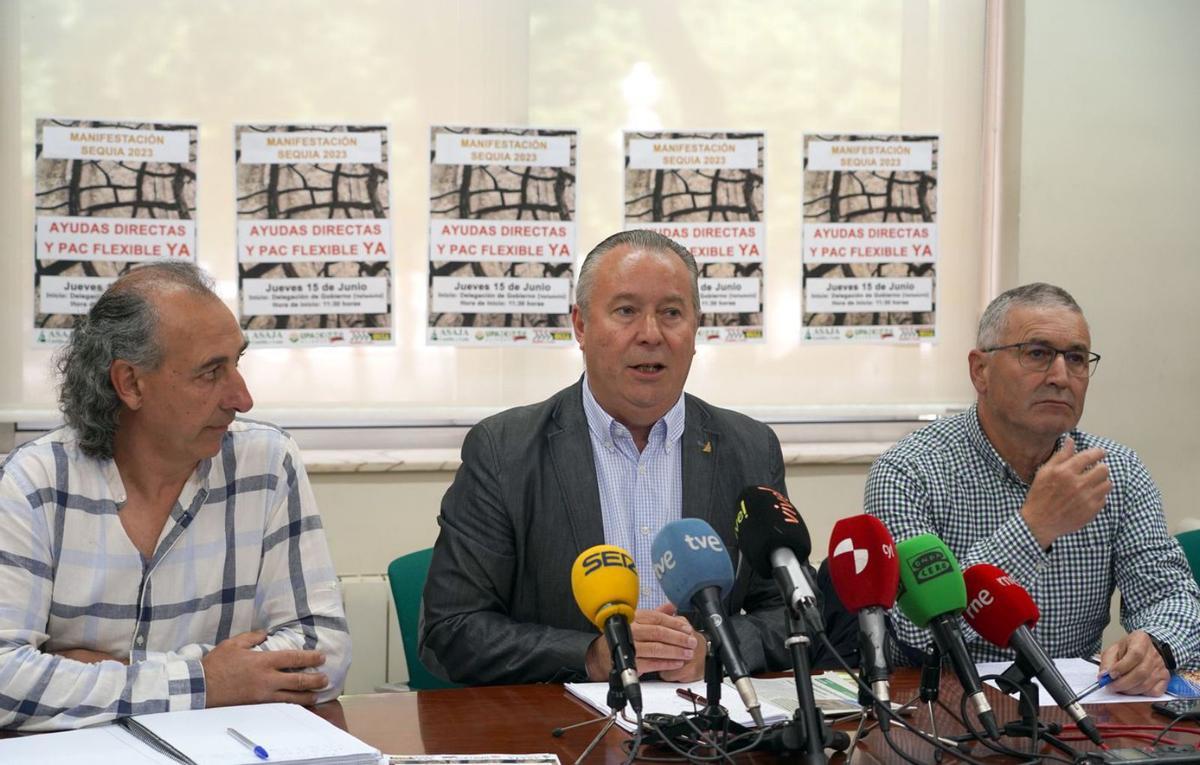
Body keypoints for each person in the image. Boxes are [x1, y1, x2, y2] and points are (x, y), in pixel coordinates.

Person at [421, 230, 806, 686]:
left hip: (708, 729)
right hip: (567, 731)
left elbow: (793, 611)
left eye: (671, 313)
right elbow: (452, 629)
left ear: (696, 329)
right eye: (626, 311)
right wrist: (592, 656)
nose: (650, 334)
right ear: (581, 326)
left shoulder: (749, 447)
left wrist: (713, 648)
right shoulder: (505, 451)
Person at [0, 263, 350, 731]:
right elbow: (5, 680)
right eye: (211, 372)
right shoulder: (35, 481)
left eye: (237, 362)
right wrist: (208, 681)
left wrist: (101, 674)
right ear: (130, 383)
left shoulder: (265, 461)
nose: (242, 398)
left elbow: (324, 650)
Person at [866, 282, 1199, 696]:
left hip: (1076, 711)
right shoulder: (909, 471)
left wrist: (1157, 646)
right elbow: (912, 633)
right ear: (980, 371)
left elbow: (1170, 595)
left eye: (1076, 358)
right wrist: (1033, 527)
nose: (1061, 376)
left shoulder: (1119, 471)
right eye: (1037, 354)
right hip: (946, 709)